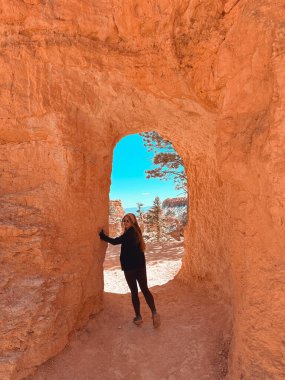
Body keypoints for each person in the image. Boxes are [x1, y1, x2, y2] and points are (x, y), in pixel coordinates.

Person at [99, 213, 161, 328]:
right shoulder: (137, 231)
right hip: (140, 266)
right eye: (124, 221)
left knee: (134, 291)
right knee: (145, 289)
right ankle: (154, 312)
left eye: (128, 221)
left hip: (130, 268)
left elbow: (115, 241)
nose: (125, 223)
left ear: (132, 222)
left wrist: (102, 236)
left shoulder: (129, 233)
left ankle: (138, 317)